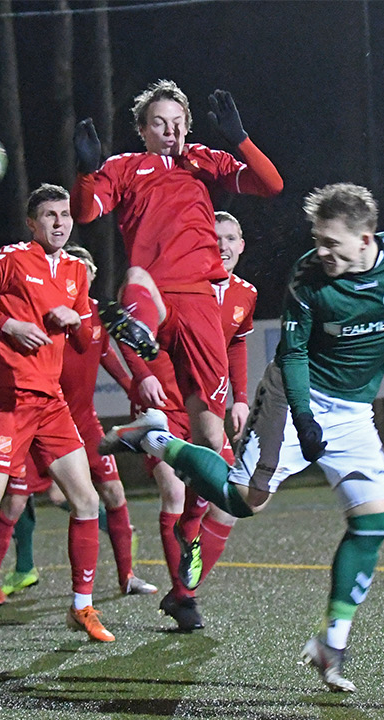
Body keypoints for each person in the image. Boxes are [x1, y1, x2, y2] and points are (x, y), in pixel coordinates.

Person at [101, 183, 384, 691]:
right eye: (318, 241)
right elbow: (295, 353)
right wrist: (303, 418)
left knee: (372, 524)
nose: (322, 252)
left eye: (332, 243)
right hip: (292, 395)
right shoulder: (308, 276)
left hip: (353, 411)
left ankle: (333, 644)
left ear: (366, 238)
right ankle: (157, 439)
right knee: (242, 501)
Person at [70, 80, 282, 478]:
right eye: (159, 123)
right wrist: (85, 172)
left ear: (187, 126)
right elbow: (83, 213)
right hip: (156, 298)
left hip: (202, 304)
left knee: (210, 438)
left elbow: (272, 184)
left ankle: (162, 452)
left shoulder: (203, 163)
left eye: (177, 123)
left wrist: (240, 139)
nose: (170, 132)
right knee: (136, 277)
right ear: (142, 130)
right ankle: (140, 331)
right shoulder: (123, 168)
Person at [0, 184, 114, 649]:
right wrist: (8, 324)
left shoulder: (76, 269)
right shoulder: (13, 257)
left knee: (87, 501)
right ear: (32, 224)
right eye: (50, 215)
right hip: (8, 397)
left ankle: (81, 606)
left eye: (65, 214)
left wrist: (79, 323)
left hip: (50, 401)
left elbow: (82, 336)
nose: (60, 222)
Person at [0, 244, 157, 603]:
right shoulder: (46, 312)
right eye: (77, 265)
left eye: (87, 267)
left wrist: (137, 390)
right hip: (41, 417)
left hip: (84, 422)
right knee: (11, 503)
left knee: (114, 494)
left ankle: (127, 576)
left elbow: (112, 362)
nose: (82, 272)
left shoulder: (94, 320)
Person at [135, 210, 257, 632]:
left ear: (242, 244)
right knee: (173, 492)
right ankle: (185, 598)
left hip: (208, 411)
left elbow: (237, 344)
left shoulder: (245, 294)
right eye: (213, 238)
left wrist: (241, 399)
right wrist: (146, 375)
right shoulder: (179, 285)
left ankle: (183, 588)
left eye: (230, 237)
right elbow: (132, 331)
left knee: (231, 504)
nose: (221, 246)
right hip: (167, 407)